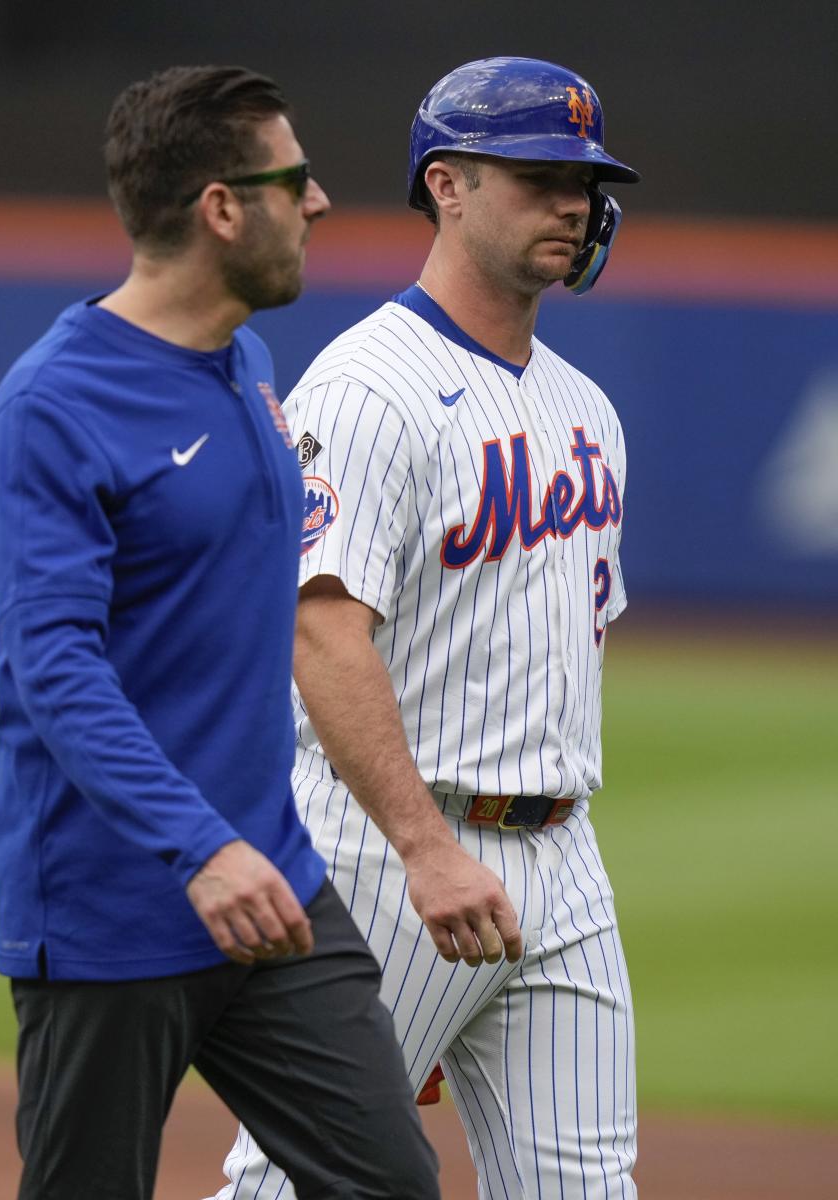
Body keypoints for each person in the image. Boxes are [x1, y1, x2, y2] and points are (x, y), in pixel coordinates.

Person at [0, 65, 439, 1200]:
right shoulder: (53, 408)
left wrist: (244, 844)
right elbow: (57, 672)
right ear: (223, 208)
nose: (320, 202)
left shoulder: (247, 363)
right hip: (113, 908)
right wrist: (199, 847)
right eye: (295, 180)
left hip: (271, 883)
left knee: (391, 1183)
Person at [215, 56, 640, 1200]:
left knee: (587, 1190)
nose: (575, 203)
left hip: (562, 854)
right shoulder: (368, 389)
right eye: (541, 174)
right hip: (389, 854)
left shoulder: (583, 407)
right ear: (446, 185)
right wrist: (423, 846)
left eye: (586, 179)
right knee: (296, 1183)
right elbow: (321, 637)